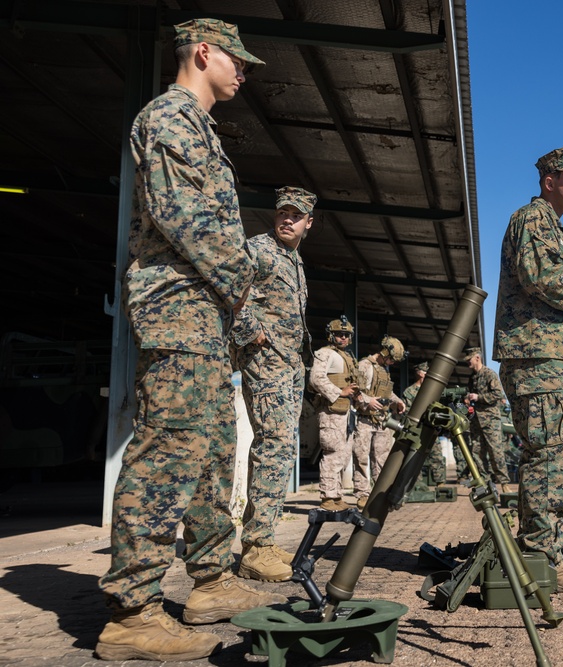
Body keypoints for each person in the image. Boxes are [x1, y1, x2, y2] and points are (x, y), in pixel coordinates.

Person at [96, 19, 285, 662]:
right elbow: (188, 219)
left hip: (204, 313)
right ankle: (132, 611)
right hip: (178, 307)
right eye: (238, 62)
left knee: (210, 450)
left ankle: (209, 581)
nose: (243, 73)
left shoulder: (200, 127)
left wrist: (232, 304)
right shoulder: (170, 117)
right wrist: (243, 285)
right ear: (205, 53)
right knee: (166, 449)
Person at [493, 144, 563, 594]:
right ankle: (541, 560)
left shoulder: (547, 223)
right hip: (537, 357)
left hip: (544, 357)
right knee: (549, 456)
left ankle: (541, 551)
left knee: (551, 451)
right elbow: (540, 276)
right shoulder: (533, 219)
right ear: (549, 181)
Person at [230, 186, 313, 582]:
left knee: (281, 449)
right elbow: (231, 290)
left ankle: (262, 538)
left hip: (288, 365)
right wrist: (253, 333)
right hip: (266, 362)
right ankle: (256, 547)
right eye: (283, 212)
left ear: (308, 223)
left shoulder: (294, 261)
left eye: (295, 215)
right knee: (273, 444)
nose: (287, 219)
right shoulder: (258, 249)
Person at [310, 317, 360, 512]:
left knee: (343, 454)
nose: (343, 338)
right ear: (331, 335)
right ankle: (328, 496)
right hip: (331, 411)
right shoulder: (325, 354)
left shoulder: (348, 358)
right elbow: (316, 378)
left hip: (345, 412)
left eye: (347, 335)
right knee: (333, 452)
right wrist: (340, 392)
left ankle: (336, 495)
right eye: (340, 334)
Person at [352, 335, 407, 509]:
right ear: (384, 352)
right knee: (361, 457)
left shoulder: (384, 369)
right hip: (365, 420)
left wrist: (397, 402)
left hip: (382, 421)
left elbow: (387, 394)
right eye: (391, 359)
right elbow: (355, 392)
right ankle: (362, 495)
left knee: (382, 458)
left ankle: (381, 494)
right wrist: (368, 400)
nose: (392, 363)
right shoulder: (364, 366)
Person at [463, 348, 513, 492]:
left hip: (490, 420)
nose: (467, 362)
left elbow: (498, 394)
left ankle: (504, 483)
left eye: (469, 359)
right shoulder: (472, 378)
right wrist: (466, 399)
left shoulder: (489, 374)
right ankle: (485, 483)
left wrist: (479, 397)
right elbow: (468, 395)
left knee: (495, 452)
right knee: (477, 453)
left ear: (477, 358)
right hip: (476, 421)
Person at [403, 362, 447, 485]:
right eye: (426, 372)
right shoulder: (409, 391)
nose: (428, 375)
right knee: (414, 457)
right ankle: (416, 485)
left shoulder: (432, 391)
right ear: (420, 374)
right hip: (417, 430)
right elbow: (406, 411)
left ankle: (440, 483)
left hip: (431, 428)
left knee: (436, 456)